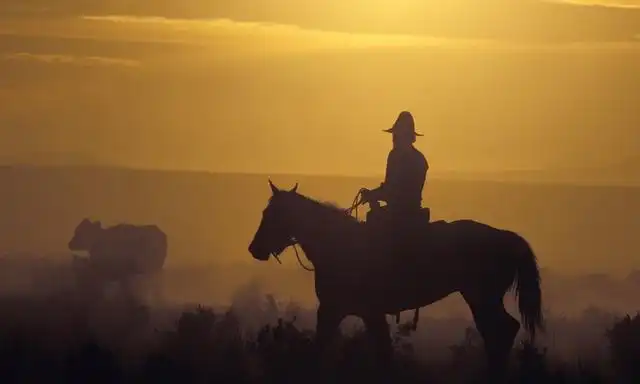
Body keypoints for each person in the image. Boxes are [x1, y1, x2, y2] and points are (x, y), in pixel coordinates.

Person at [360, 111, 429, 229]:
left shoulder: (396, 156)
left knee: (372, 220)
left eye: (396, 136)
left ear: (405, 137)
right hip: (413, 211)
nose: (393, 139)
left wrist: (372, 195)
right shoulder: (419, 158)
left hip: (401, 214)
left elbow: (393, 190)